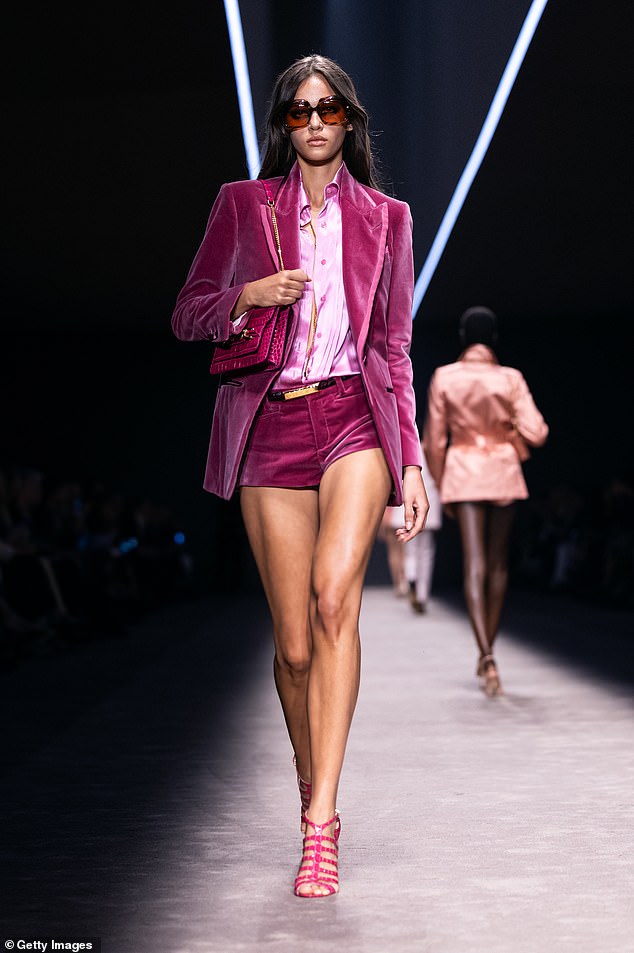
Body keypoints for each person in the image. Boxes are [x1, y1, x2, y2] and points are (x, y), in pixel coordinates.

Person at [171, 54, 429, 897]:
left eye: (328, 109)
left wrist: (413, 459)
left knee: (333, 601)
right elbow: (188, 313)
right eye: (297, 111)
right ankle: (310, 784)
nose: (313, 122)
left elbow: (392, 345)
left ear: (350, 121)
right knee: (290, 645)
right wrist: (249, 293)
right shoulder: (243, 205)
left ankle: (322, 825)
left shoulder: (389, 219)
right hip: (271, 421)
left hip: (354, 414)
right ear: (283, 124)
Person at [423, 306, 548, 697]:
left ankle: (486, 654)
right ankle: (489, 652)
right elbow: (539, 432)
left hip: (463, 469)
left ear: (464, 337)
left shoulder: (445, 376)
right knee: (498, 566)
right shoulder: (509, 378)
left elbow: (433, 442)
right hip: (503, 469)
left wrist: (443, 487)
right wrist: (510, 427)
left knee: (474, 564)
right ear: (493, 338)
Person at [379, 445, 442, 613]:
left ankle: (411, 580)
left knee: (410, 548)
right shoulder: (431, 448)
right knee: (426, 550)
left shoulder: (402, 445)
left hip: (406, 497)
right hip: (429, 494)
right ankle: (422, 594)